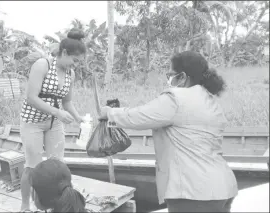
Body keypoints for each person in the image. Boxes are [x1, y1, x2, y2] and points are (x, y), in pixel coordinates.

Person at [99, 51, 238, 212]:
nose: (169, 80)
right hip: (222, 187)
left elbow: (139, 116)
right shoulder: (210, 100)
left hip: (192, 191)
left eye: (170, 75)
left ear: (183, 77)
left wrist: (109, 113)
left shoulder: (176, 98)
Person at [19, 28, 86, 212]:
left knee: (58, 166)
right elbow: (32, 97)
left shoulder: (70, 74)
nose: (75, 65)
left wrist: (78, 117)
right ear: (64, 53)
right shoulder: (42, 65)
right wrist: (57, 113)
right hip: (33, 121)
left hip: (53, 123)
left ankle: (56, 205)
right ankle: (25, 205)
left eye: (78, 62)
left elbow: (67, 102)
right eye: (74, 60)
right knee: (32, 167)